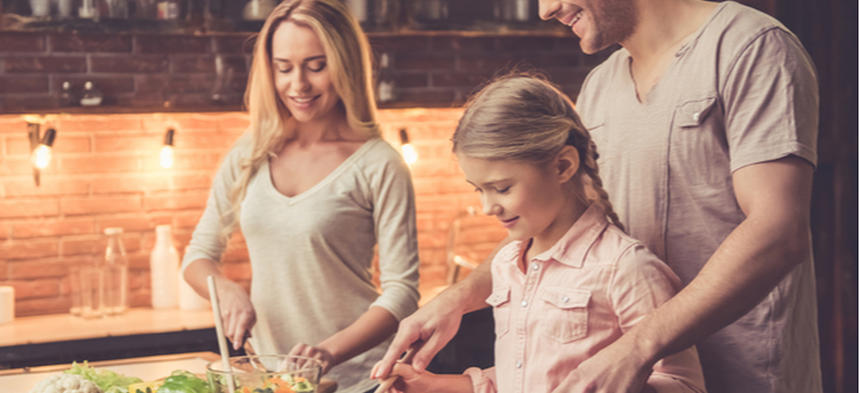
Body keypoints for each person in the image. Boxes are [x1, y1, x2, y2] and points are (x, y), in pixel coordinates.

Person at [372, 1, 821, 392]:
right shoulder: (600, 87)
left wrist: (636, 348)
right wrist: (459, 298)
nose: (545, 9)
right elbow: (562, 234)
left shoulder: (750, 47)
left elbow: (777, 230)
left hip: (748, 377)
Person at [378, 75, 708, 393]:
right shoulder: (506, 265)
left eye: (502, 188)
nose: (487, 207)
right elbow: (520, 380)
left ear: (563, 166)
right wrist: (434, 386)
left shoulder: (626, 269)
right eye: (479, 189)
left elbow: (683, 384)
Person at [181, 1, 420, 392]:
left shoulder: (380, 163)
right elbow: (198, 256)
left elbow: (402, 293)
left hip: (360, 380)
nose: (298, 85)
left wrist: (327, 353)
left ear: (345, 64)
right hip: (273, 379)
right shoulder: (250, 153)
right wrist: (224, 290)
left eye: (316, 65)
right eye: (284, 67)